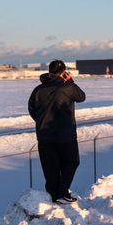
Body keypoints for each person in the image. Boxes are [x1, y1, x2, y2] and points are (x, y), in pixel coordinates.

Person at [28, 60, 86, 204]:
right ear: (63, 72)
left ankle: (53, 197)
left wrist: (42, 122)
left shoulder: (38, 90)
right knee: (72, 162)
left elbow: (32, 109)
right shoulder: (67, 87)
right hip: (66, 136)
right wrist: (70, 81)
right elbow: (81, 97)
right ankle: (63, 193)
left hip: (44, 136)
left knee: (50, 168)